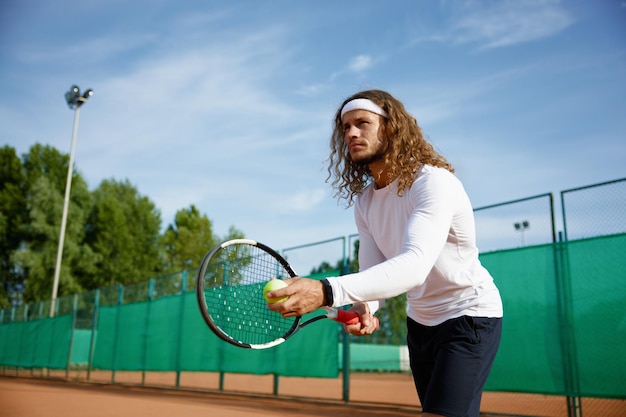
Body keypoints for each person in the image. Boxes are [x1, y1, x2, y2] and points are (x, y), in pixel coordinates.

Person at [267, 89, 503, 417]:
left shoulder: (432, 182)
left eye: (362, 123)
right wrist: (365, 307)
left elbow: (414, 266)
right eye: (345, 127)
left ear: (391, 128)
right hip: (420, 324)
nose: (351, 133)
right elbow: (373, 274)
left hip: (469, 315)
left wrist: (324, 291)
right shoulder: (365, 203)